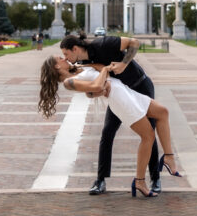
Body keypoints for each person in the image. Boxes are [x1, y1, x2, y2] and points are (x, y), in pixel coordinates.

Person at [38, 56, 182, 197]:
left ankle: (168, 157)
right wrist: (104, 74)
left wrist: (102, 73)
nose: (64, 58)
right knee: (148, 136)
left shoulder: (79, 69)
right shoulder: (69, 82)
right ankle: (140, 181)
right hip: (120, 101)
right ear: (56, 66)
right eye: (60, 59)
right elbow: (97, 86)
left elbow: (100, 74)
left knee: (163, 112)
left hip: (126, 91)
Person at [60, 33, 160, 195]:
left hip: (140, 86)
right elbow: (91, 91)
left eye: (66, 54)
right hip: (121, 96)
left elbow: (134, 42)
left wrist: (124, 64)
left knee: (149, 132)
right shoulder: (83, 63)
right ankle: (100, 180)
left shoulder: (104, 43)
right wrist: (95, 92)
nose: (66, 58)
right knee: (107, 133)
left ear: (75, 48)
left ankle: (155, 179)